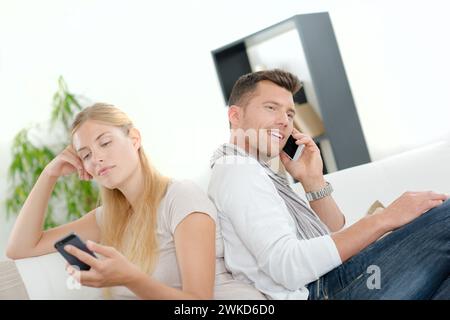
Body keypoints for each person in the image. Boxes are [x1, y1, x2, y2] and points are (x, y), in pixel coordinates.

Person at [208, 69, 450, 300]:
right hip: (324, 291)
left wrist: (313, 180)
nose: (284, 121)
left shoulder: (267, 173)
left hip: (334, 280)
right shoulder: (237, 171)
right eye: (271, 108)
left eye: (290, 114)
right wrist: (384, 218)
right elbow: (288, 267)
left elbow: (334, 236)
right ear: (235, 116)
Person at [4, 103, 265, 300]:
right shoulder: (107, 217)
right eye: (86, 155)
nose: (97, 159)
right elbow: (20, 248)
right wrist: (49, 175)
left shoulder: (180, 197)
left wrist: (130, 278)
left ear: (134, 139)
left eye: (105, 143)